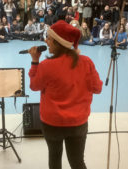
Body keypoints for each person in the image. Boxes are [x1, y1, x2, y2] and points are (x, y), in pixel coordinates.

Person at [28, 20, 102, 169]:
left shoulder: (46, 66)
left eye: (49, 38)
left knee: (54, 159)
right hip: (78, 123)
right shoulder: (86, 62)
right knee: (77, 161)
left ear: (58, 42)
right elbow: (97, 88)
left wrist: (35, 61)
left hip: (52, 123)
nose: (46, 41)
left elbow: (34, 86)